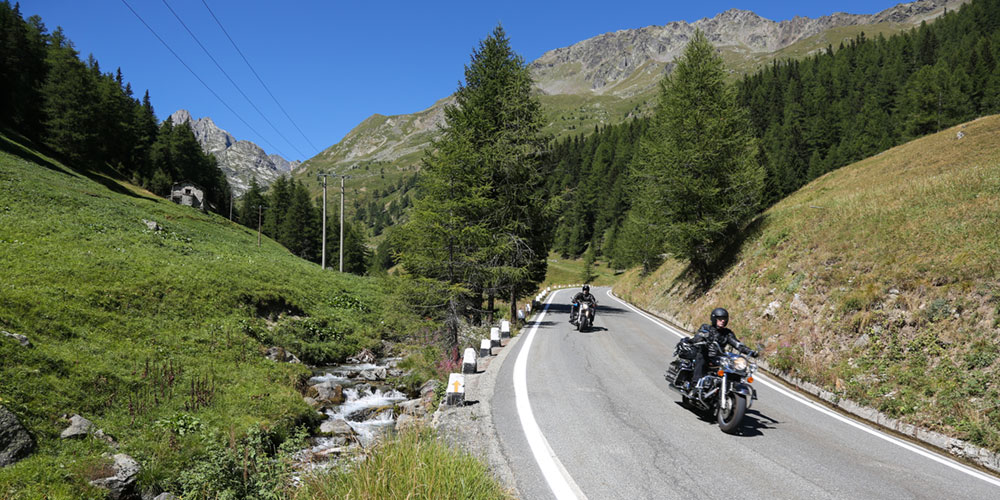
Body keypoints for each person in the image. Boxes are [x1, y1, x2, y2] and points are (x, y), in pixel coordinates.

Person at [686, 308, 757, 391]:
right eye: (720, 319)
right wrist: (701, 338)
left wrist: (749, 351)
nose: (723, 321)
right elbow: (698, 336)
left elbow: (737, 343)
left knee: (734, 366)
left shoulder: (727, 333)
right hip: (706, 355)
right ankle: (695, 384)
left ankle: (731, 386)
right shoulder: (706, 327)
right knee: (701, 357)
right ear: (714, 319)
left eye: (724, 319)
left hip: (719, 358)